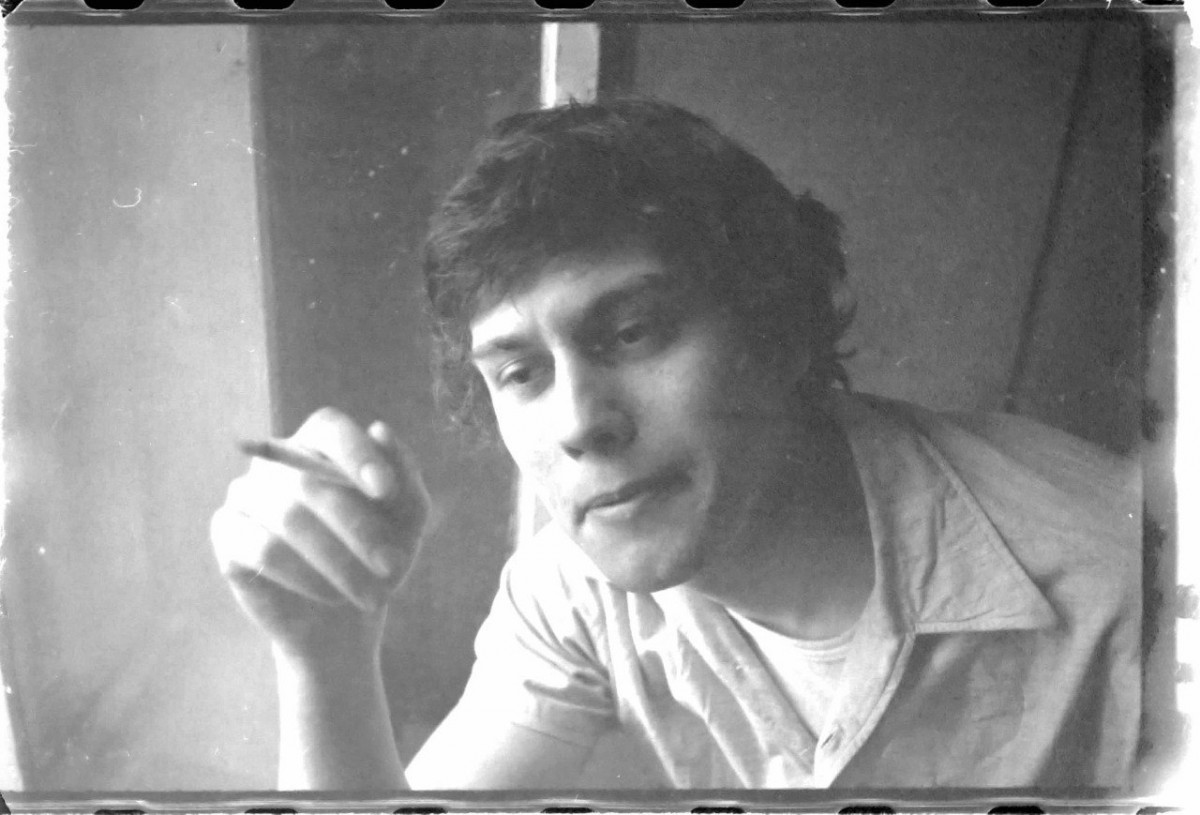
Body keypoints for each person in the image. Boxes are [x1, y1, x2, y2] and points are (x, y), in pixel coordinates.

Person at [210, 99, 1141, 790]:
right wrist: (325, 653)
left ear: (776, 327)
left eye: (632, 332)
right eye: (521, 372)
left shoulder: (1122, 578)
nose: (580, 422)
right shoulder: (570, 587)